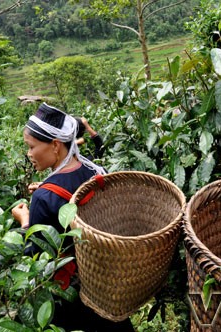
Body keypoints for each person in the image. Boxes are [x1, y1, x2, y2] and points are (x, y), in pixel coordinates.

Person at [12, 103, 134, 331]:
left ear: (55, 145)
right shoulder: (94, 172)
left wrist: (25, 220)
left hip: (72, 297)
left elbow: (36, 257)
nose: (29, 154)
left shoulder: (43, 197)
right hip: (107, 288)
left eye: (31, 147)